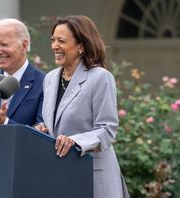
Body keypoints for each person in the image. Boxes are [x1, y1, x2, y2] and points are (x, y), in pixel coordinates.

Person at [35, 15, 129, 197]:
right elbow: (56, 126)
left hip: (93, 176)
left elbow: (107, 130)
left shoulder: (100, 77)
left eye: (61, 41)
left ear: (81, 46)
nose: (55, 46)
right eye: (53, 40)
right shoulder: (50, 79)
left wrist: (75, 141)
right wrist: (42, 130)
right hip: (60, 176)